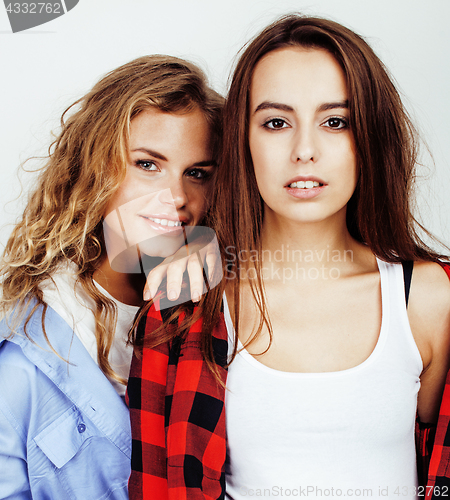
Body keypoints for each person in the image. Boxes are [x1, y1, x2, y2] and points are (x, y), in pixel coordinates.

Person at [127, 14, 450, 500]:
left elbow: (439, 468)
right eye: (276, 122)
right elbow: (154, 486)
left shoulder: (427, 298)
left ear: (370, 138)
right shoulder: (187, 302)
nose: (304, 150)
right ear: (243, 140)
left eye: (335, 122)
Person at [0, 55, 223, 499]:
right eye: (147, 164)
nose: (176, 196)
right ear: (94, 168)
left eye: (197, 174)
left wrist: (218, 251)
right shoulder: (22, 359)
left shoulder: (221, 306)